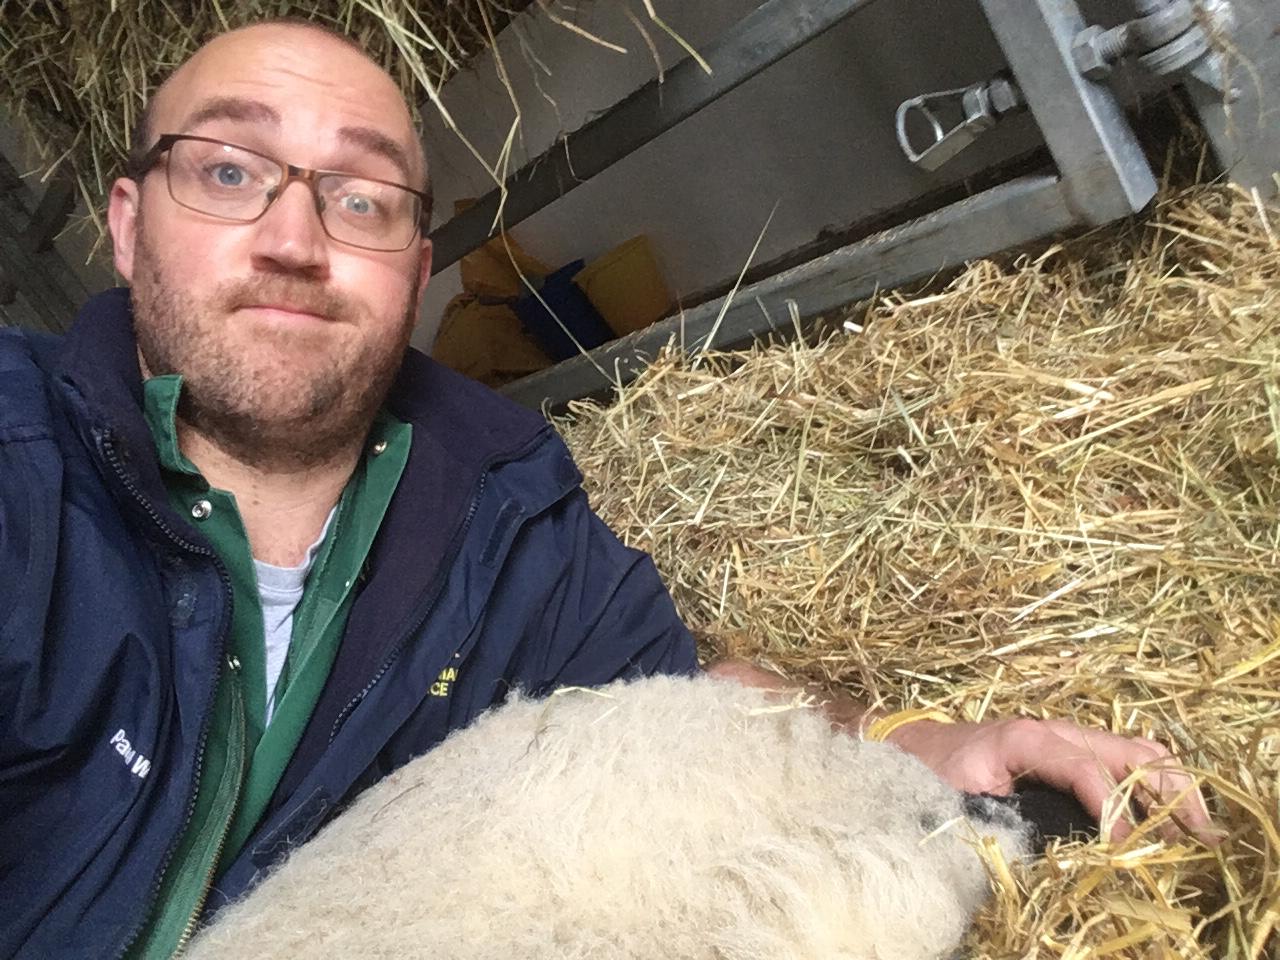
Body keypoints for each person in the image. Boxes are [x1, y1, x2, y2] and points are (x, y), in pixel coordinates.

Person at [0, 19, 1214, 960]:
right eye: (227, 172)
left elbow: (681, 703)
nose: (294, 239)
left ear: (415, 272)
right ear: (128, 223)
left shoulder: (504, 509)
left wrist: (921, 741)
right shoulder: (24, 465)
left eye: (360, 199)